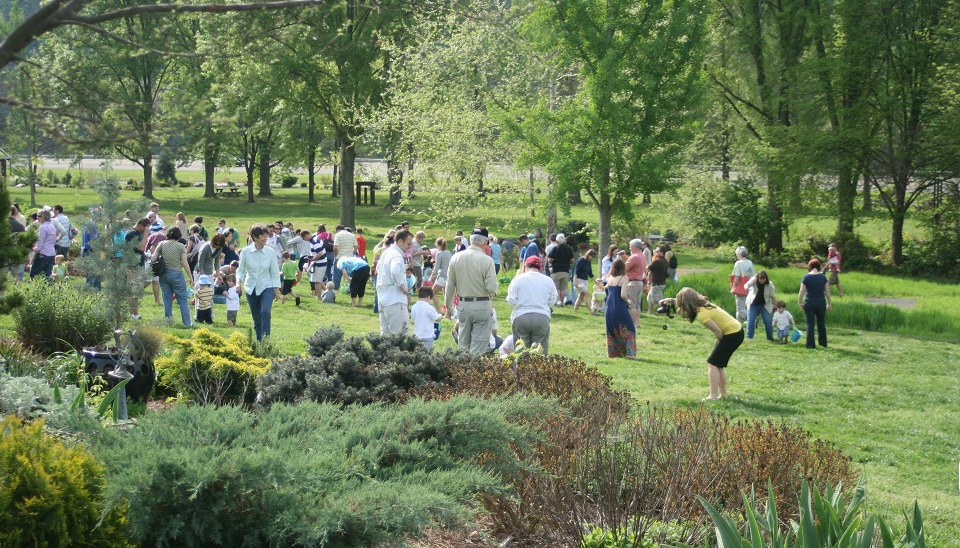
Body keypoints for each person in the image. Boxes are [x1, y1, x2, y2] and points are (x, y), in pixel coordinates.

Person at [660, 287, 744, 400]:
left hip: (731, 335)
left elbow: (718, 331)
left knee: (712, 363)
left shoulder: (702, 315)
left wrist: (721, 345)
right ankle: (723, 395)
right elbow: (686, 299)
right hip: (737, 330)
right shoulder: (703, 304)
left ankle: (713, 396)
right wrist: (670, 300)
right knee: (718, 364)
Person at [444, 233, 499, 355]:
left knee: (463, 344)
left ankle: (462, 369)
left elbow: (450, 286)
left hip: (463, 305)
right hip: (482, 304)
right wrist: (496, 288)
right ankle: (472, 370)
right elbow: (491, 287)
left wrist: (449, 307)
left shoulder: (455, 258)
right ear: (485, 242)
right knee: (478, 346)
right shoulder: (487, 260)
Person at [236, 224, 281, 341]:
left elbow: (275, 272)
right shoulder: (245, 252)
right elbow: (240, 270)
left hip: (267, 286)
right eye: (263, 236)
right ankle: (260, 342)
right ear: (255, 237)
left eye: (267, 236)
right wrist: (238, 283)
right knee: (257, 319)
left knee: (265, 312)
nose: (266, 238)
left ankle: (266, 341)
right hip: (251, 287)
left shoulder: (270, 252)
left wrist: (276, 289)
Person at [506, 256, 557, 354]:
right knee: (539, 351)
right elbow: (552, 301)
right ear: (540, 268)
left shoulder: (518, 279)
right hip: (541, 316)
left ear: (526, 266)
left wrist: (520, 305)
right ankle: (537, 368)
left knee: (521, 350)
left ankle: (521, 368)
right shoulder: (548, 280)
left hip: (521, 316)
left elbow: (511, 299)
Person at [152, 226, 195, 327]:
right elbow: (184, 263)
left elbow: (154, 258)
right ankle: (187, 323)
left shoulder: (161, 244)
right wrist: (190, 277)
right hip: (176, 274)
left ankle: (168, 321)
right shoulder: (180, 246)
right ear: (178, 235)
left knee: (167, 299)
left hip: (163, 274)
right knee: (182, 299)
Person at [376, 229, 414, 334]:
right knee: (401, 334)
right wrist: (403, 287)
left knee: (385, 334)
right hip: (395, 300)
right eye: (408, 244)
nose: (410, 247)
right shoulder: (397, 255)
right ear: (400, 241)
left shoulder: (387, 252)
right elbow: (395, 271)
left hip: (383, 299)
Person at [604, 258, 636, 359]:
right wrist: (629, 302)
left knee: (612, 330)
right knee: (630, 328)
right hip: (619, 307)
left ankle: (613, 353)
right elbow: (623, 295)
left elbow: (609, 289)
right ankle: (630, 354)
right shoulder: (624, 278)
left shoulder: (609, 278)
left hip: (609, 307)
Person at [798, 259, 831, 349]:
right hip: (821, 302)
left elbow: (802, 291)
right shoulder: (823, 277)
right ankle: (823, 343)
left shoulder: (806, 277)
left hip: (809, 302)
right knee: (821, 323)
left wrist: (799, 301)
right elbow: (827, 291)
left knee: (810, 324)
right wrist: (829, 303)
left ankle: (810, 345)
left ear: (810, 267)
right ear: (818, 266)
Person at [125, 218, 150, 319]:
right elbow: (141, 247)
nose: (145, 229)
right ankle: (135, 314)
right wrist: (146, 235)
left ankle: (132, 313)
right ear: (140, 224)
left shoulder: (135, 234)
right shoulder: (133, 234)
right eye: (145, 227)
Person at [744, 270, 776, 341]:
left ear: (766, 278)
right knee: (750, 320)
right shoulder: (754, 280)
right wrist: (746, 287)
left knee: (768, 321)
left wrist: (775, 306)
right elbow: (747, 284)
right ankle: (749, 337)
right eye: (760, 279)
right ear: (758, 278)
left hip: (765, 305)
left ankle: (770, 338)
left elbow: (773, 296)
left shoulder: (770, 284)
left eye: (763, 279)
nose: (762, 281)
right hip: (753, 304)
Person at [30, 209, 59, 280]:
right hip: (51, 253)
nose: (37, 218)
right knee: (47, 275)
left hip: (43, 254)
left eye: (38, 216)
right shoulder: (52, 227)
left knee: (33, 274)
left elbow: (39, 243)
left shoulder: (43, 227)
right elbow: (54, 241)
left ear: (43, 217)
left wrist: (33, 257)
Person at [547, 234, 575, 308]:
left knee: (556, 288)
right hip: (566, 270)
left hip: (556, 270)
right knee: (563, 288)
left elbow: (549, 260)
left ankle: (558, 302)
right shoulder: (569, 249)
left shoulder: (555, 248)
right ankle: (562, 302)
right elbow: (572, 260)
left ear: (556, 240)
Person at [625, 239, 648, 327]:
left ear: (635, 247)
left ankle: (632, 323)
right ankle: (637, 323)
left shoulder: (634, 257)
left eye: (630, 246)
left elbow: (625, 268)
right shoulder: (641, 255)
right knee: (637, 305)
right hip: (639, 282)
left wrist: (619, 260)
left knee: (631, 305)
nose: (629, 248)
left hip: (632, 283)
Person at [730, 246, 755, 322]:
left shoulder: (738, 263)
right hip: (750, 287)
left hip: (741, 288)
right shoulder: (749, 262)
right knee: (742, 306)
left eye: (736, 254)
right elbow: (753, 275)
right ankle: (737, 322)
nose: (736, 255)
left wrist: (733, 287)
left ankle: (752, 318)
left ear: (739, 254)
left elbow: (736, 277)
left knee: (741, 308)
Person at [429, 237, 452, 310]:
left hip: (442, 276)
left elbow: (437, 267)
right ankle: (448, 311)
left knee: (432, 293)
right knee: (446, 295)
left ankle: (438, 310)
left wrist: (431, 277)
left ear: (437, 244)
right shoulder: (448, 252)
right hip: (449, 275)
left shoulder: (439, 253)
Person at [332, 225, 358, 289]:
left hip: (339, 257)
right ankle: (350, 286)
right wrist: (353, 253)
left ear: (337, 230)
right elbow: (356, 246)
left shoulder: (338, 235)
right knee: (349, 273)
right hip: (349, 257)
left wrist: (335, 255)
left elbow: (335, 247)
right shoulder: (351, 235)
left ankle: (336, 287)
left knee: (337, 274)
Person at [645, 246, 669, 314]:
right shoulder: (665, 261)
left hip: (657, 284)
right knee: (650, 299)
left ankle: (665, 313)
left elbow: (648, 267)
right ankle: (649, 312)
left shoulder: (657, 261)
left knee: (658, 301)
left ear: (662, 253)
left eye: (657, 251)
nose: (655, 252)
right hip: (661, 283)